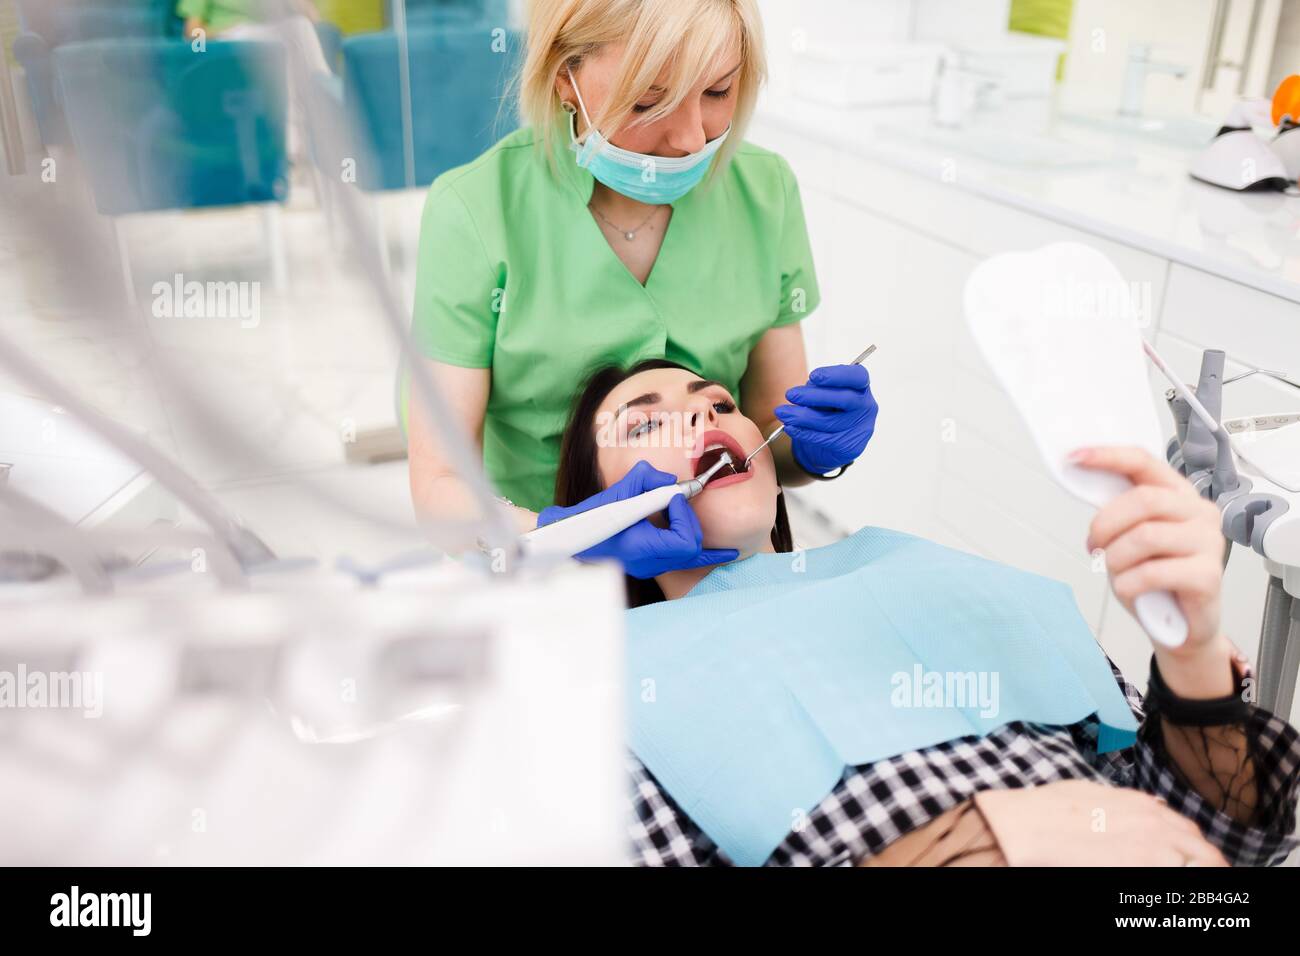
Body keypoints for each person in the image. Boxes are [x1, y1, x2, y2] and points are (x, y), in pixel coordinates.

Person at [548, 358, 1300, 866]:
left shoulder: (933, 574)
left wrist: (1192, 653)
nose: (704, 419)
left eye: (717, 403)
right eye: (646, 426)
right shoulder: (620, 695)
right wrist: (988, 841)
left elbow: (1232, 838)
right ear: (600, 512)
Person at [408, 0, 877, 574]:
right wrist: (563, 536)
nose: (688, 138)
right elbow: (438, 492)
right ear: (565, 78)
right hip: (539, 570)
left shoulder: (765, 190)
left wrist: (813, 448)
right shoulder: (475, 212)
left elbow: (768, 435)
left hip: (723, 572)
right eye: (649, 100)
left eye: (717, 92)